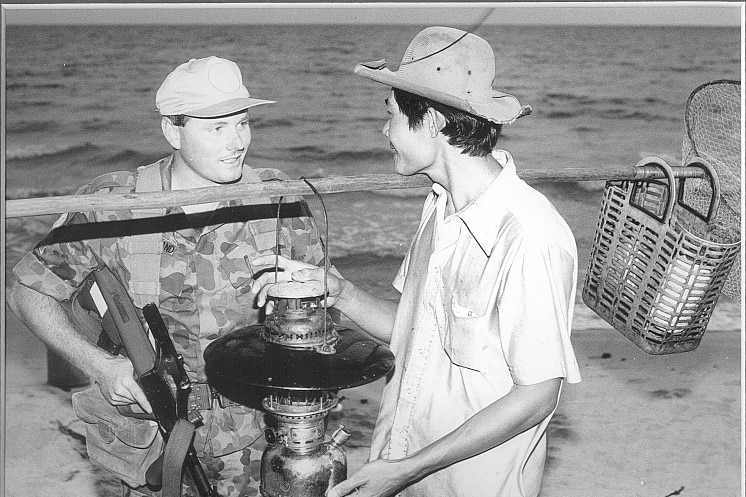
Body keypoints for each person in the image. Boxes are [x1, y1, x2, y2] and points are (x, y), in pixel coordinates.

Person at [252, 26, 582, 497]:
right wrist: (339, 292)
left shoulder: (528, 233)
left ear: (429, 120)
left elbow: (537, 396)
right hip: (402, 467)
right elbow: (412, 334)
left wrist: (408, 469)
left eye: (389, 116)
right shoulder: (438, 205)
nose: (384, 131)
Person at [9, 56, 328, 497]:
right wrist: (100, 366)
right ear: (172, 131)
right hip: (156, 447)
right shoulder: (115, 208)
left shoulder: (279, 204)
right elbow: (27, 292)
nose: (237, 142)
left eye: (243, 123)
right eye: (217, 128)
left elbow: (324, 317)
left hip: (261, 444)